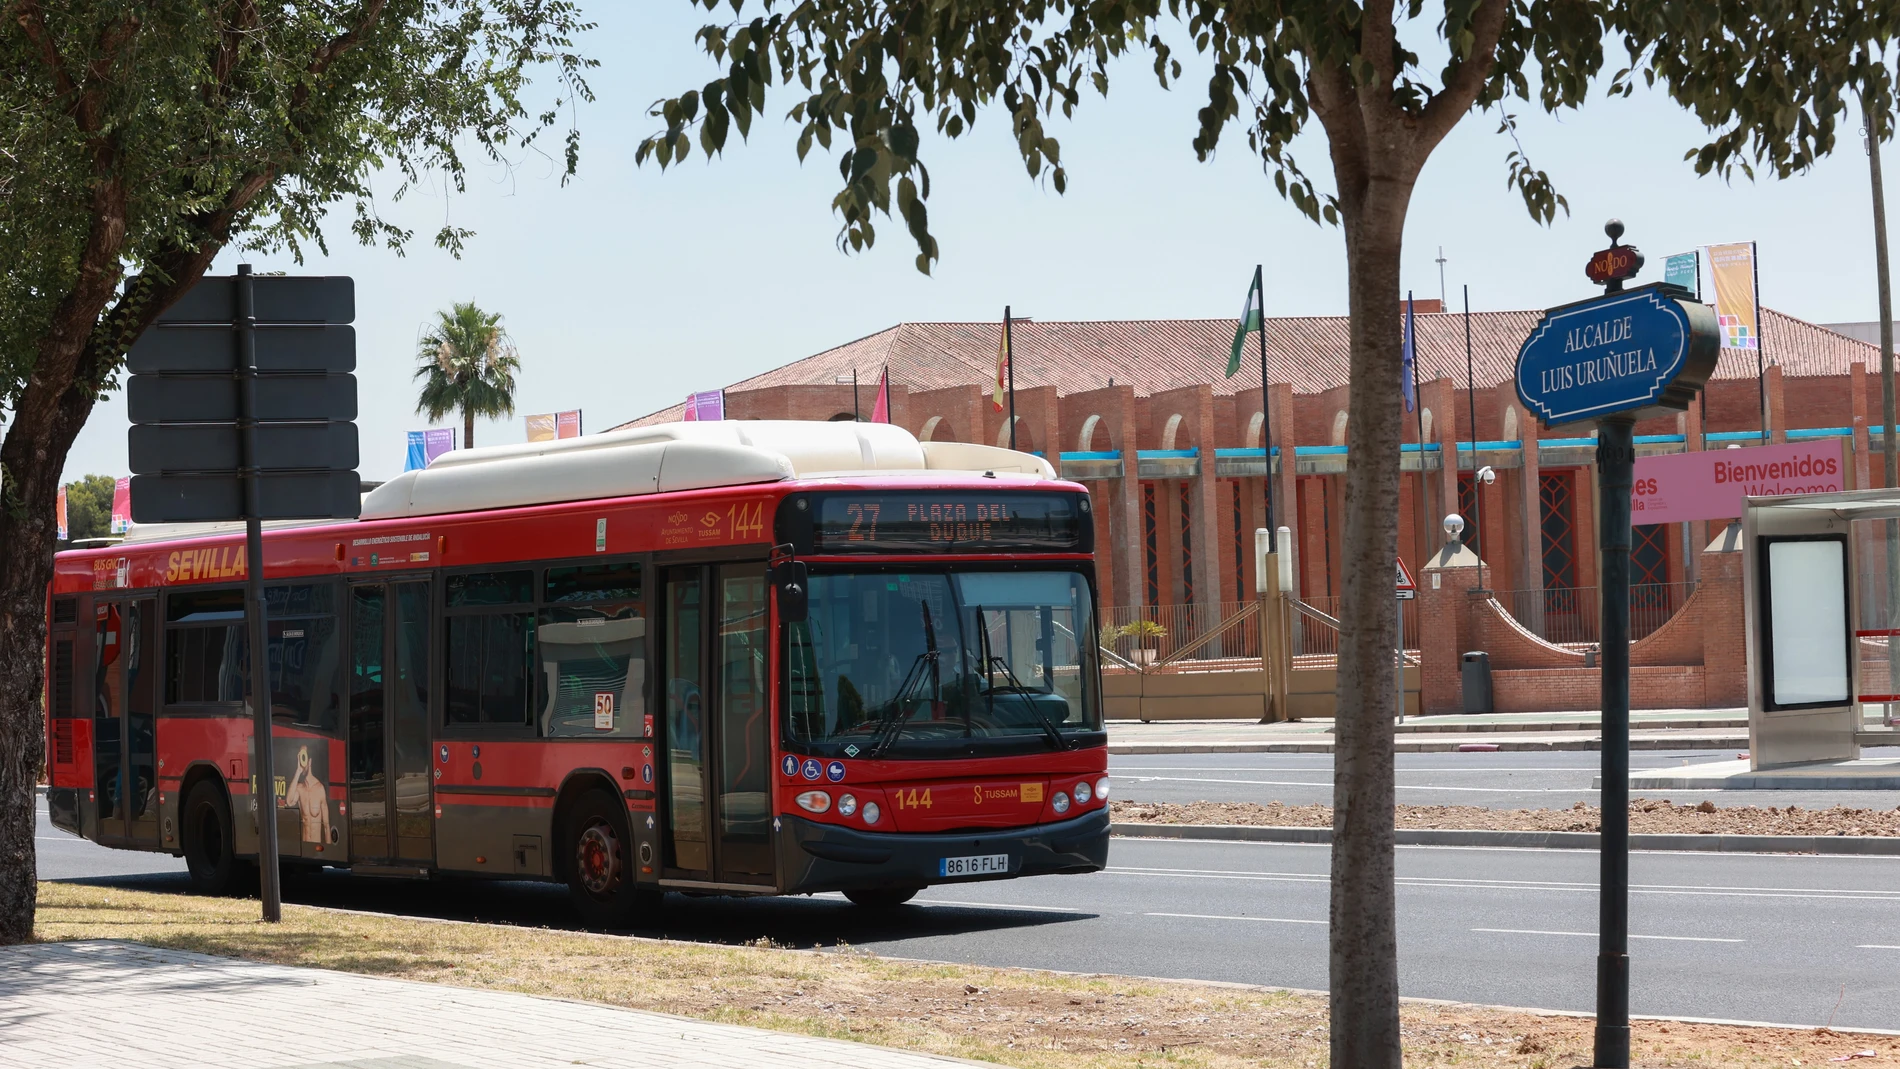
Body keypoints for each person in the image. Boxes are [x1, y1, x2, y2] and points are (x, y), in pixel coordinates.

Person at [280, 744, 332, 850]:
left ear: (310, 761)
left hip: (316, 847)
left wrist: (329, 850)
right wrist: (298, 771)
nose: (301, 761)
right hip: (304, 846)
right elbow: (289, 801)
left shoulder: (319, 789)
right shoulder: (299, 788)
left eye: (303, 757)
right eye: (300, 757)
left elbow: (326, 826)